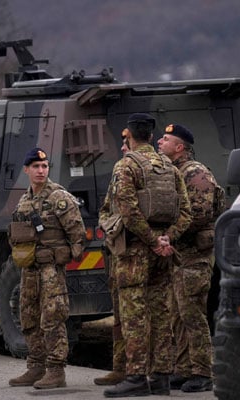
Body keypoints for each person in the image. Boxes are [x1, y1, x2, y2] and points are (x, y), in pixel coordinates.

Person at [103, 113, 191, 398]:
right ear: (152, 137)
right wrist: (167, 239)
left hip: (134, 253)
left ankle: (137, 376)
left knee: (134, 315)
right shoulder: (169, 166)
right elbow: (186, 212)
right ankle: (161, 378)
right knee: (161, 314)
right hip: (162, 253)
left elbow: (127, 210)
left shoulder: (126, 165)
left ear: (128, 134)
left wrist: (152, 240)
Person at [7, 147, 85, 390]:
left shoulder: (58, 197)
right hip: (29, 269)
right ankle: (36, 366)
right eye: (36, 167)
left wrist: (62, 257)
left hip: (50, 269)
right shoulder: (24, 200)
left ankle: (56, 370)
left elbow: (78, 235)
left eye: (44, 166)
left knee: (52, 317)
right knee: (28, 316)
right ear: (26, 170)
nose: (41, 171)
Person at [157, 124, 221, 392]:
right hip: (179, 257)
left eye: (166, 139)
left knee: (193, 315)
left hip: (195, 256)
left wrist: (168, 234)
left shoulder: (196, 173)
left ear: (180, 147)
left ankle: (204, 372)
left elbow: (200, 214)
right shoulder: (174, 172)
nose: (160, 141)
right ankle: (183, 369)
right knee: (177, 315)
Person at [93, 132, 131, 386]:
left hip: (136, 254)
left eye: (126, 143)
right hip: (117, 252)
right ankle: (120, 367)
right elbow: (106, 208)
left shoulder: (147, 172)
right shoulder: (120, 172)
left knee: (139, 315)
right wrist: (111, 225)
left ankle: (148, 370)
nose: (121, 147)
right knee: (119, 314)